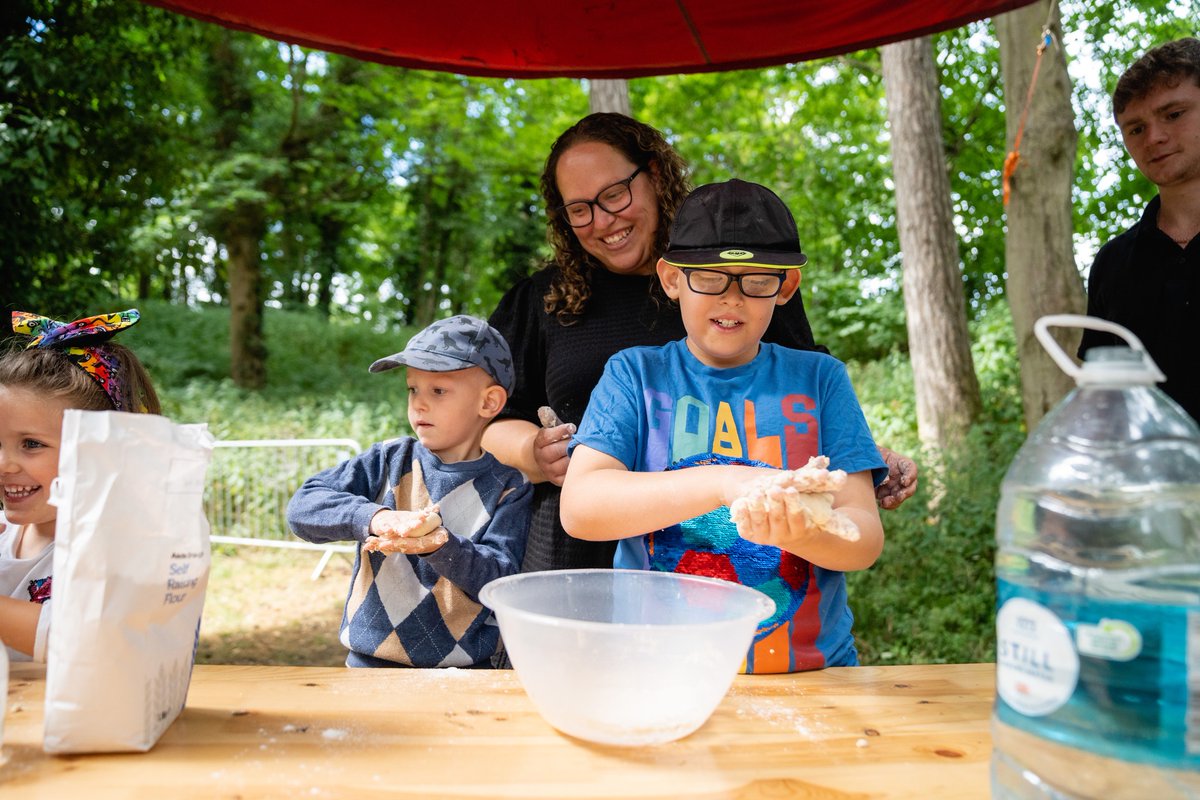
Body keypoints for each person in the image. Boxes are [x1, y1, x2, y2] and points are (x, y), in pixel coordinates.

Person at [485, 112, 916, 577]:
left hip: (754, 549)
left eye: (614, 195)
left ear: (653, 174)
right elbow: (482, 420)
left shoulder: (747, 267)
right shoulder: (543, 301)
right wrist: (533, 451)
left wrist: (861, 460)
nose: (603, 220)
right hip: (576, 554)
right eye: (580, 209)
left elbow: (804, 398)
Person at [560, 179, 886, 673]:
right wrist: (726, 482)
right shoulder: (634, 375)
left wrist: (797, 531)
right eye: (710, 278)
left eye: (756, 282)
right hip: (654, 671)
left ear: (786, 286)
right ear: (672, 280)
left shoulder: (821, 380)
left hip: (811, 675)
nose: (732, 299)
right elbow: (582, 508)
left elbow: (863, 540)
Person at [286, 314, 532, 668]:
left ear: (489, 403)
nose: (419, 403)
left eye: (438, 391)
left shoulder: (509, 487)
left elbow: (499, 583)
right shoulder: (389, 459)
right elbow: (302, 509)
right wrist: (376, 518)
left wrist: (439, 545)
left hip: (465, 676)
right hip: (369, 664)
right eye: (412, 388)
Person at [0, 308, 161, 662]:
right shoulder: (6, 537)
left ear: (102, 452)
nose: (4, 464)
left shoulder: (115, 545)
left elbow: (74, 639)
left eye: (31, 444)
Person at [1079, 37, 1200, 422]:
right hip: (1154, 480)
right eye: (1135, 128)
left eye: (1174, 114)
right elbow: (1100, 399)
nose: (1154, 138)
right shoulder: (1113, 263)